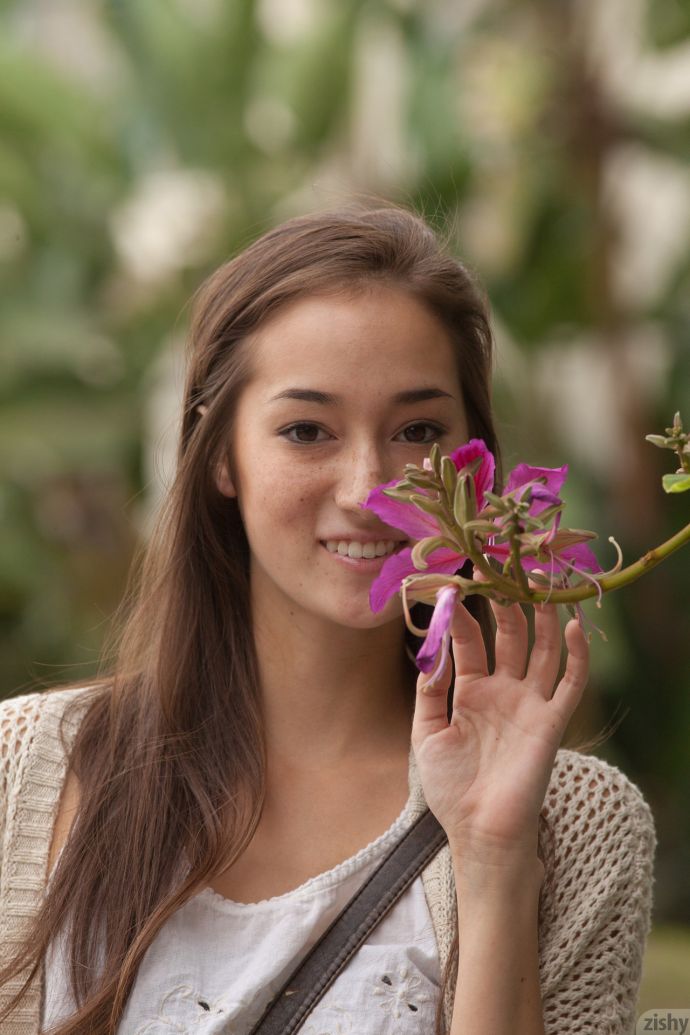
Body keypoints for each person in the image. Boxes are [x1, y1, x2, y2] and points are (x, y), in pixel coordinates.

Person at [0, 205, 656, 1035]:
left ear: (475, 459)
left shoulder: (577, 822)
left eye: (418, 430)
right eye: (306, 430)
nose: (365, 488)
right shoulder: (21, 770)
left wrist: (494, 861)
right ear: (222, 461)